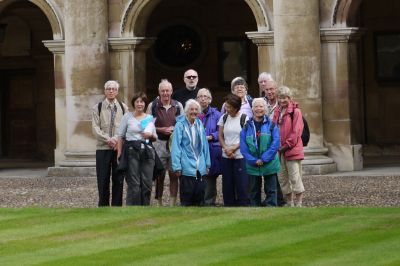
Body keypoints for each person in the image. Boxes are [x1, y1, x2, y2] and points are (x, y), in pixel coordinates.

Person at [146, 79, 183, 206]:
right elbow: (147, 126)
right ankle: (159, 202)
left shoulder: (178, 106)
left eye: (167, 90)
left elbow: (183, 124)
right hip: (158, 144)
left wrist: (175, 129)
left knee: (174, 174)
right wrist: (161, 129)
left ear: (171, 91)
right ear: (159, 92)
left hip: (174, 145)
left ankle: (173, 203)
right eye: (163, 91)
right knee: (159, 175)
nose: (165, 93)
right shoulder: (153, 106)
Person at [92, 80, 128, 207]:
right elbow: (95, 128)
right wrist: (108, 139)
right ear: (105, 91)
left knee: (118, 179)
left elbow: (125, 128)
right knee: (103, 179)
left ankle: (117, 206)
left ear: (117, 91)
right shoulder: (98, 107)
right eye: (108, 89)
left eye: (113, 89)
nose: (111, 91)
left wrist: (117, 139)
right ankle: (103, 206)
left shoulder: (124, 108)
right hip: (103, 148)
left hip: (118, 149)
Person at [117, 92, 157, 206]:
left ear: (145, 104)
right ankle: (132, 209)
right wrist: (119, 154)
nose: (140, 104)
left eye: (142, 101)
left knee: (147, 183)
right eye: (137, 101)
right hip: (131, 151)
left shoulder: (150, 118)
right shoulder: (127, 116)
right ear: (134, 103)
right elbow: (120, 136)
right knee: (134, 183)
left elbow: (154, 138)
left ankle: (145, 208)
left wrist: (150, 135)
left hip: (147, 152)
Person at [240, 98, 280, 207]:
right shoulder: (246, 126)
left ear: (265, 108)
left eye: (261, 106)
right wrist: (254, 160)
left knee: (271, 190)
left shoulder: (272, 125)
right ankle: (255, 211)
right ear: (252, 109)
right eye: (256, 106)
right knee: (253, 191)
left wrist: (264, 159)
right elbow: (243, 147)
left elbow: (275, 143)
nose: (258, 109)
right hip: (253, 164)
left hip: (269, 162)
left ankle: (271, 210)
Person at [171, 99, 211, 206]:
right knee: (187, 197)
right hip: (186, 166)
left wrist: (207, 164)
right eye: (191, 109)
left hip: (200, 167)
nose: (194, 111)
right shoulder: (180, 125)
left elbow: (205, 145)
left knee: (199, 195)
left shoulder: (199, 123)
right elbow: (176, 146)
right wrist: (176, 166)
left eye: (196, 109)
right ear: (186, 111)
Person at [273, 86, 305, 207]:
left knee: (295, 176)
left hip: (291, 149)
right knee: (282, 177)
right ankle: (289, 202)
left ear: (290, 98)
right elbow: (273, 128)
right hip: (279, 150)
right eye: (280, 97)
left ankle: (299, 202)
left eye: (285, 97)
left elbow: (296, 132)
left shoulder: (296, 112)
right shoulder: (277, 111)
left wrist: (285, 146)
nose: (282, 100)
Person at [258, 72, 286, 206]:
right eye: (267, 89)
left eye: (272, 89)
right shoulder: (261, 104)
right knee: (270, 172)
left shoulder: (282, 104)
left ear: (276, 89)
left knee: (279, 173)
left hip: (281, 143)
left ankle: (281, 198)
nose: (269, 92)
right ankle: (276, 199)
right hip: (265, 143)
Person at [218, 93, 249, 206]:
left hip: (240, 156)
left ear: (236, 107)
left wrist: (233, 149)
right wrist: (226, 148)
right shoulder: (224, 117)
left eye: (229, 107)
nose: (226, 108)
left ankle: (243, 206)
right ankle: (229, 205)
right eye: (226, 106)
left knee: (242, 184)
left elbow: (245, 138)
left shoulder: (244, 118)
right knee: (227, 184)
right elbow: (220, 136)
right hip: (226, 156)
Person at [196, 88, 222, 206]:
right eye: (200, 96)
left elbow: (221, 131)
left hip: (211, 150)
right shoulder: (192, 113)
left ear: (210, 100)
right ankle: (198, 201)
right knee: (197, 176)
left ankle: (209, 202)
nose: (203, 99)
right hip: (195, 150)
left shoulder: (217, 114)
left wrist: (211, 137)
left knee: (209, 178)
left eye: (205, 96)